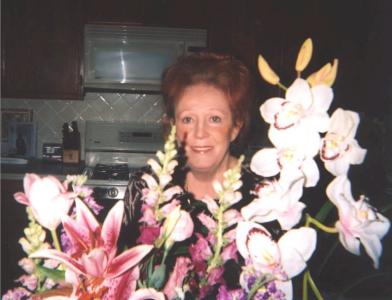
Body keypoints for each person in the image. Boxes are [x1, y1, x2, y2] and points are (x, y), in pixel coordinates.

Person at [121, 52, 278, 298]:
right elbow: (121, 277)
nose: (199, 133)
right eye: (188, 119)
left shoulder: (266, 196)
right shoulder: (147, 188)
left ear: (236, 126)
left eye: (214, 119)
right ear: (172, 126)